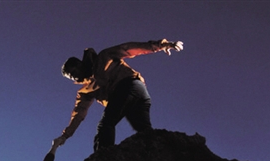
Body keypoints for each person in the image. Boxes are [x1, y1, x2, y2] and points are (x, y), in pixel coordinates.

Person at [54, 39, 183, 152]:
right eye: (70, 78)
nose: (74, 77)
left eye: (73, 73)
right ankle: (163, 155)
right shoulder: (85, 91)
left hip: (130, 86)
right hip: (133, 96)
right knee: (144, 131)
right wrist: (65, 136)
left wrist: (162, 45)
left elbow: (128, 48)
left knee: (105, 125)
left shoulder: (104, 57)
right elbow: (79, 113)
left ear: (79, 64)